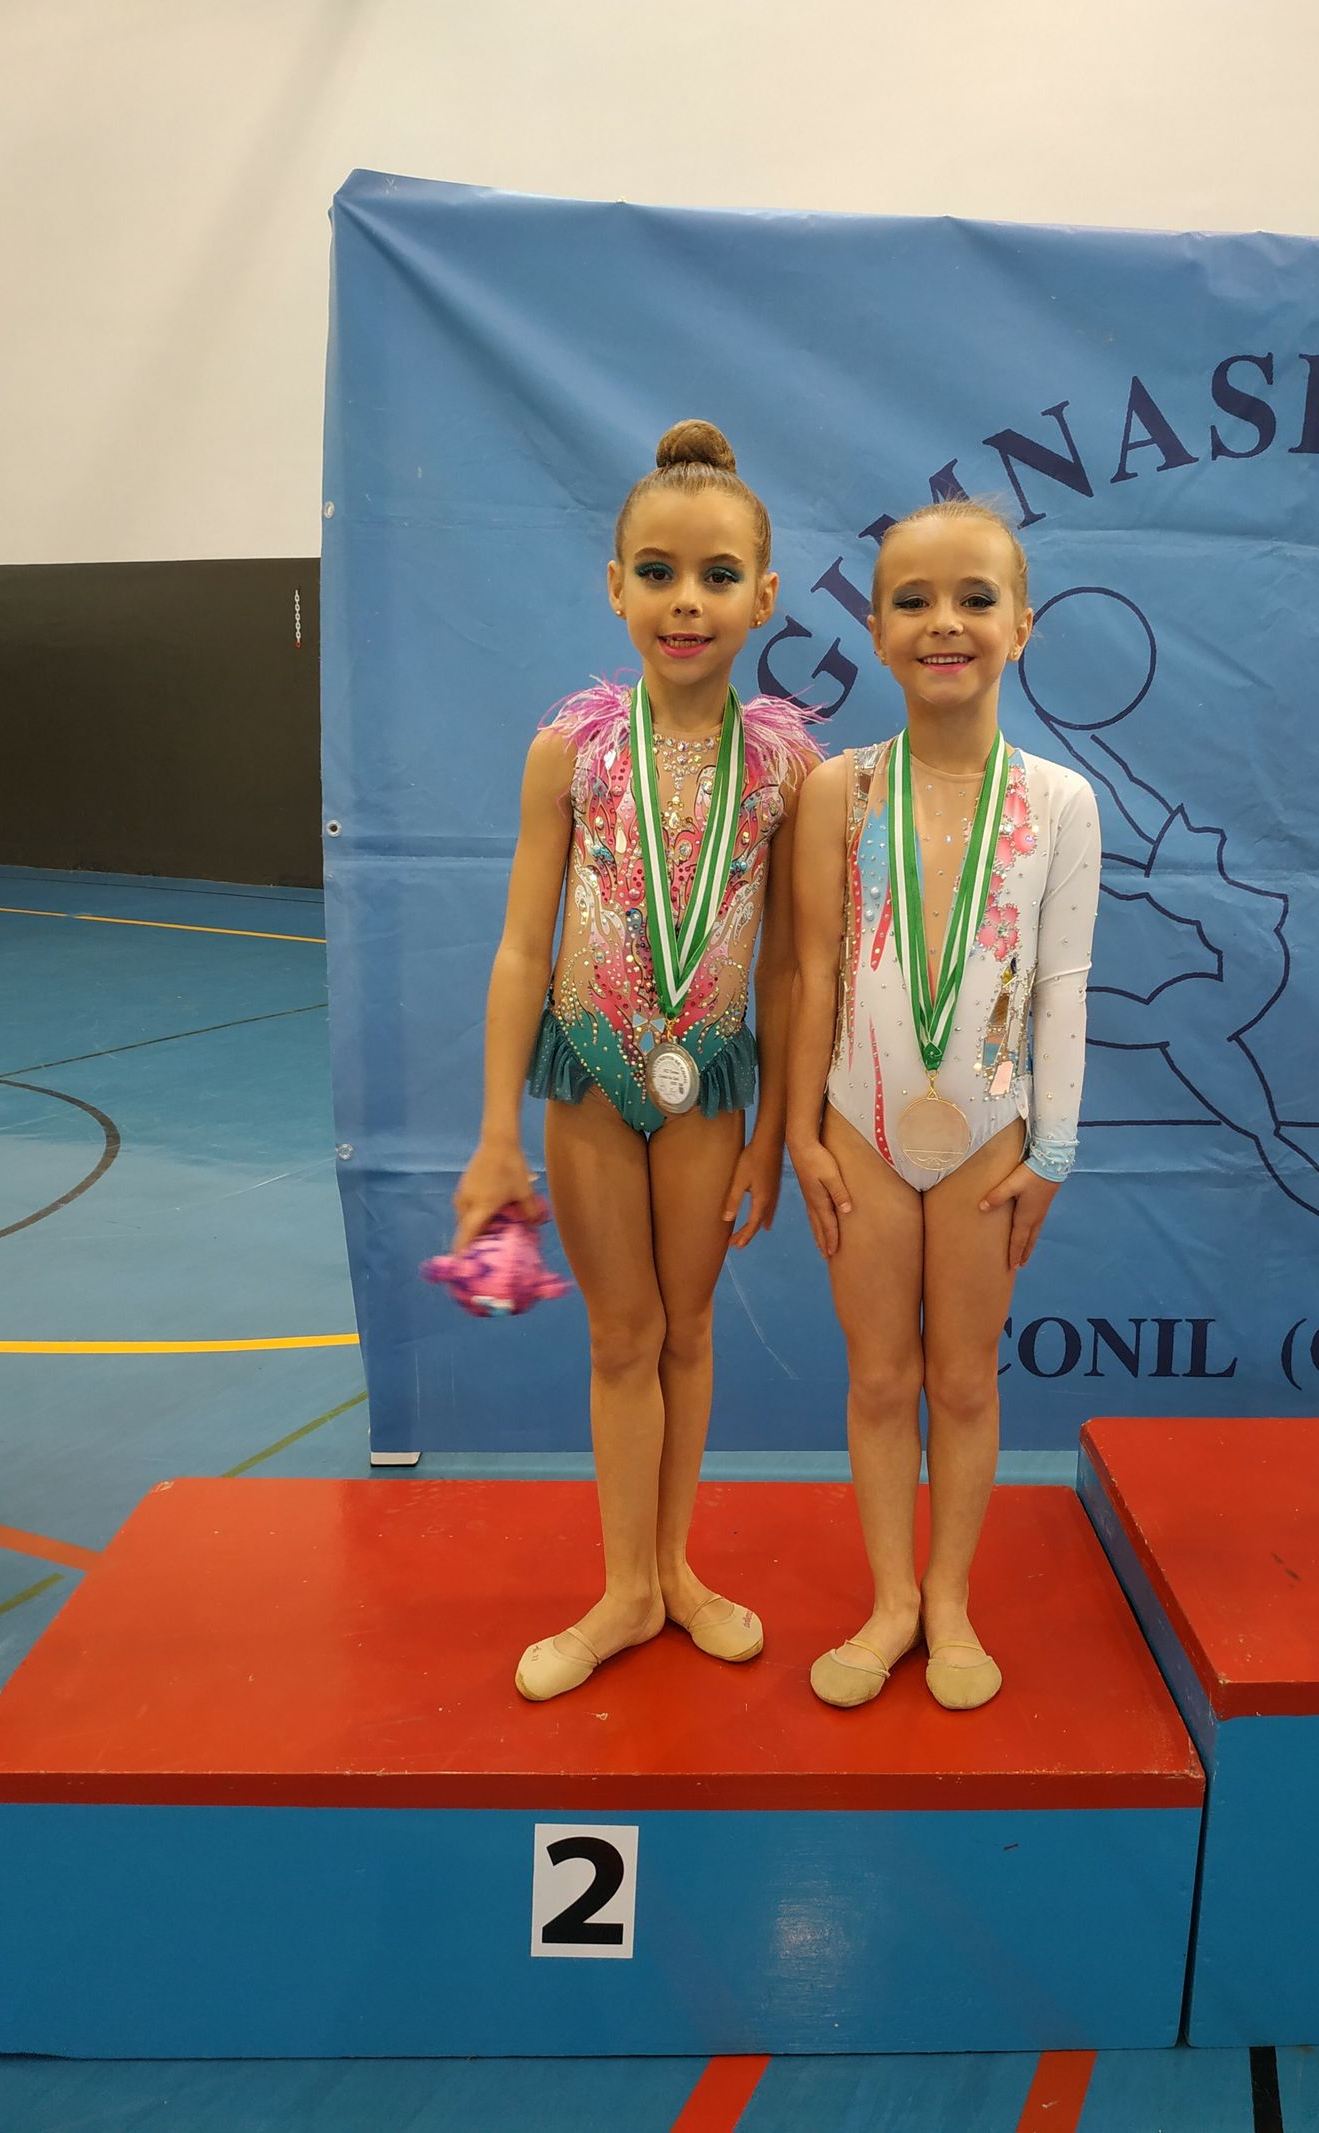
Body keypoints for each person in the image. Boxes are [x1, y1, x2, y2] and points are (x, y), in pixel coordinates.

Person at [452, 420, 820, 1698]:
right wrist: (494, 1133)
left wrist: (773, 1135)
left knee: (688, 1329)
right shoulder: (572, 746)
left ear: (763, 595)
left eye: (718, 576)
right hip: (591, 1078)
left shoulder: (786, 766)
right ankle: (621, 1591)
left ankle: (673, 1571)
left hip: (708, 1082)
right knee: (623, 1337)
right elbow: (520, 947)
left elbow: (789, 968)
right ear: (615, 586)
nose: (686, 601)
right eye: (657, 573)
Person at [787, 499, 1101, 1709]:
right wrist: (803, 1133)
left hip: (988, 1140)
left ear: (1022, 624)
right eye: (912, 600)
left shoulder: (1060, 803)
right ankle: (890, 1601)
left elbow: (1063, 984)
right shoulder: (840, 791)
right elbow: (815, 972)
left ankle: (952, 1597)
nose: (945, 622)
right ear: (874, 631)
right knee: (878, 1379)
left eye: (976, 598)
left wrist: (1053, 1151)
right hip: (857, 1133)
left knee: (965, 1382)